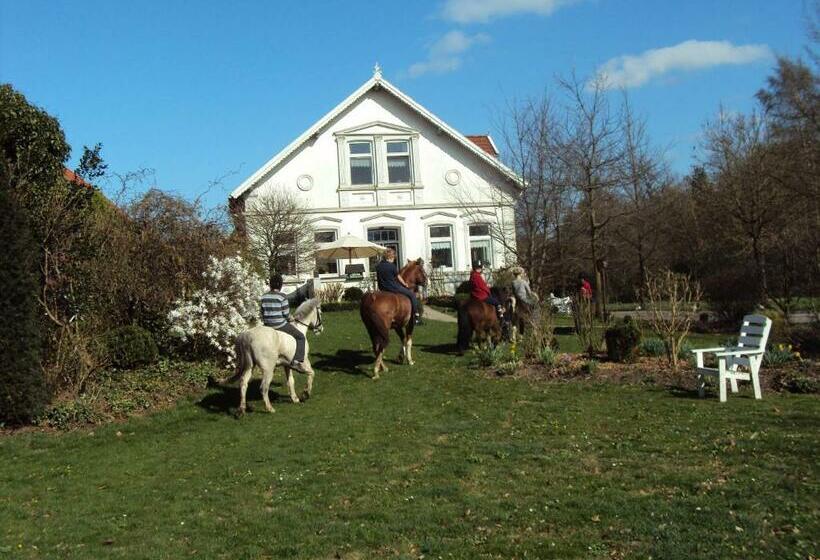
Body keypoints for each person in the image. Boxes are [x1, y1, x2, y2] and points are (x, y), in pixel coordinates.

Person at [260, 273, 307, 371]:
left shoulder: (264, 297)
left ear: (270, 284)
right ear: (280, 285)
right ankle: (297, 361)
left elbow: (262, 312)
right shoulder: (282, 296)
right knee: (301, 337)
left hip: (267, 326)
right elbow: (286, 314)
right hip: (279, 325)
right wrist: (291, 318)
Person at [375, 248, 420, 324]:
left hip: (382, 288)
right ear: (390, 257)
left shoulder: (378, 266)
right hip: (393, 288)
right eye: (394, 257)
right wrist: (404, 284)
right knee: (412, 295)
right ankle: (416, 315)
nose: (394, 259)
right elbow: (398, 277)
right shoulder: (392, 266)